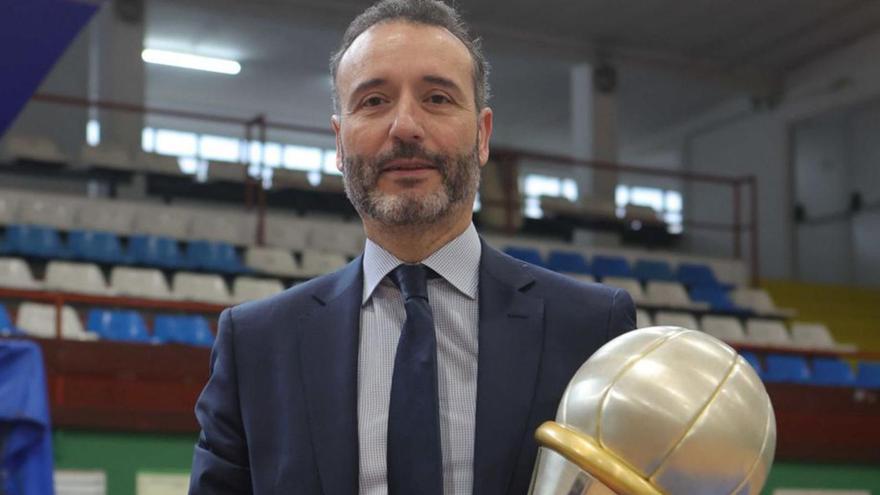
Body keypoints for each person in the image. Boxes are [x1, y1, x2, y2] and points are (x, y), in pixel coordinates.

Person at [188, 1, 635, 494]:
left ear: (482, 135)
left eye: (438, 98)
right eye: (374, 100)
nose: (405, 126)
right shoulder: (255, 345)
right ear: (339, 143)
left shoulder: (591, 330)